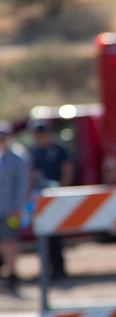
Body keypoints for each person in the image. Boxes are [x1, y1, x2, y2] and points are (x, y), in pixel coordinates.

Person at [28, 120, 76, 280]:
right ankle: (46, 271)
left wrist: (61, 190)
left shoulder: (58, 148)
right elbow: (32, 173)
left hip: (55, 197)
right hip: (40, 198)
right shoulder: (35, 151)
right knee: (42, 235)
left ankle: (59, 269)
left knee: (55, 235)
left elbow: (67, 169)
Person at [0, 121, 32, 292]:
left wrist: (18, 206)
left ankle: (12, 273)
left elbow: (22, 184)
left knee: (10, 241)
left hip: (11, 209)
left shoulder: (17, 157)